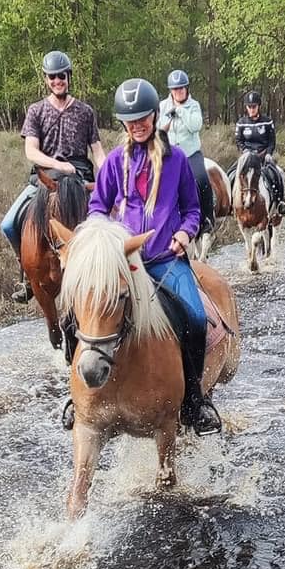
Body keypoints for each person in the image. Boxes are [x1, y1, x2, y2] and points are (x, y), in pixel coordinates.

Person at [73, 77, 221, 435]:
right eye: (130, 119)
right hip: (124, 263)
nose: (137, 125)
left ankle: (194, 401)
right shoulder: (112, 162)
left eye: (142, 118)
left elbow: (191, 208)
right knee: (76, 313)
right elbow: (97, 205)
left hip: (165, 260)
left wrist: (185, 232)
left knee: (196, 319)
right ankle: (76, 395)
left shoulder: (178, 161)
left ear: (155, 116)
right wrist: (99, 238)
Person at [0, 51, 107, 301]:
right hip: (44, 178)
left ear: (68, 77)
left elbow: (98, 152)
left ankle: (107, 274)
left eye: (62, 76)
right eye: (52, 77)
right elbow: (31, 151)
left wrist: (109, 175)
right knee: (8, 224)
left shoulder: (85, 111)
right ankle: (28, 276)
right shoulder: (36, 111)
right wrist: (59, 164)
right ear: (47, 80)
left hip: (79, 179)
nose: (57, 81)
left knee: (106, 222)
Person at [159, 69, 214, 238]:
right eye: (175, 89)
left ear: (187, 88)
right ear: (171, 90)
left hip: (191, 154)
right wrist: (169, 118)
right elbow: (159, 129)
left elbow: (195, 126)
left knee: (202, 180)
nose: (179, 91)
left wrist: (180, 110)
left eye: (182, 88)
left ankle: (207, 218)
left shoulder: (194, 105)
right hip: (170, 154)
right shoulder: (163, 106)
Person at [233, 91, 285, 216]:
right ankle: (231, 203)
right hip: (247, 157)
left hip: (263, 156)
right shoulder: (241, 122)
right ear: (246, 107)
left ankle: (280, 203)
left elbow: (272, 140)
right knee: (231, 174)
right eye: (249, 107)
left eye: (254, 106)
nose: (251, 109)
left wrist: (268, 153)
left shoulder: (267, 121)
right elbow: (238, 141)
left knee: (277, 174)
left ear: (258, 107)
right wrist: (245, 151)